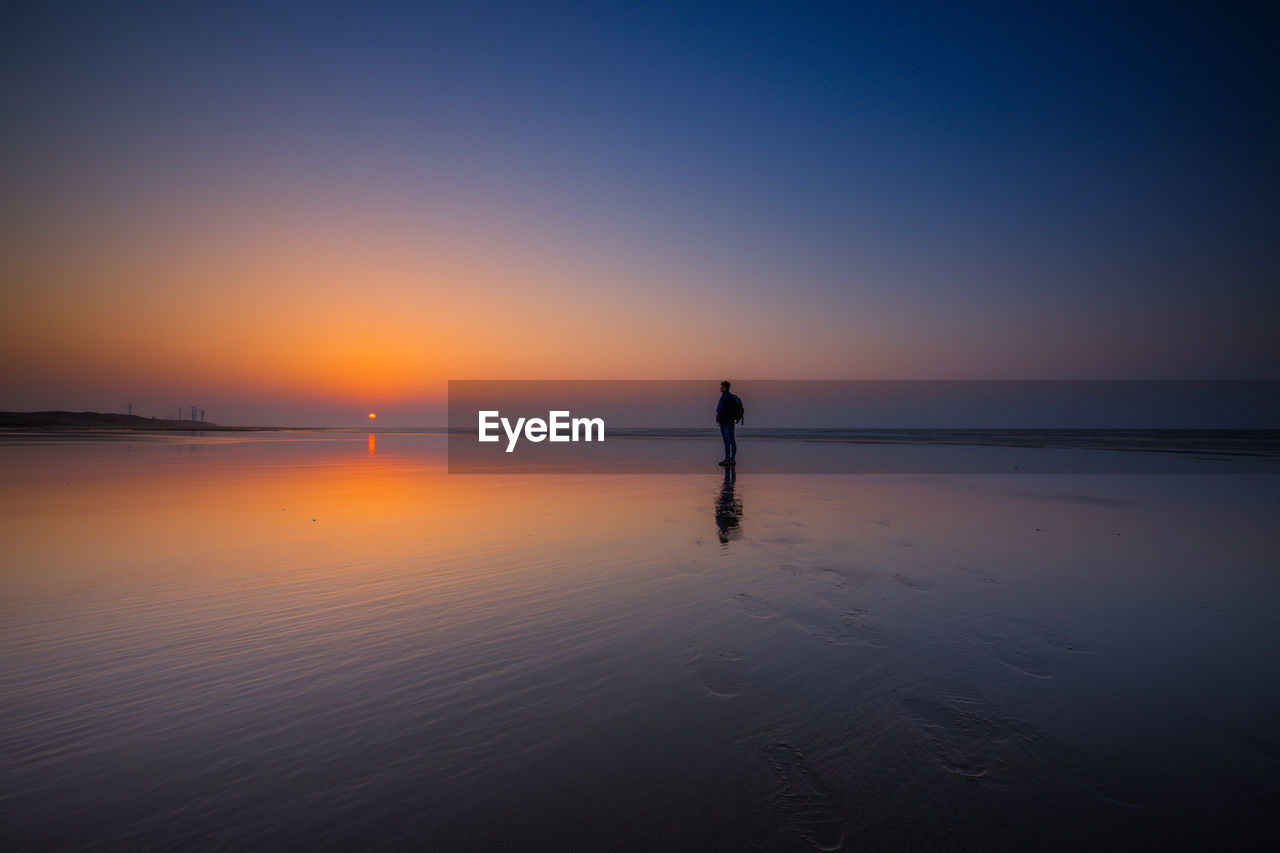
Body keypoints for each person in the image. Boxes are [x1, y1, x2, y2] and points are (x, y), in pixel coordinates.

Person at [715, 380, 743, 466]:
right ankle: (732, 459)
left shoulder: (724, 397)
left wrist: (718, 417)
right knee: (732, 441)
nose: (720, 388)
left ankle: (727, 459)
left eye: (722, 386)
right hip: (731, 422)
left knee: (727, 441)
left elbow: (719, 409)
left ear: (725, 387)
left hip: (724, 422)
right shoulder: (732, 397)